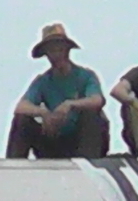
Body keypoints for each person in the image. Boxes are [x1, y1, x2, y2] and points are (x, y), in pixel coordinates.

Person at [8, 22, 107, 159]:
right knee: (22, 120)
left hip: (81, 141)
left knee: (91, 115)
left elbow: (97, 100)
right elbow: (20, 107)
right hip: (54, 141)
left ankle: (88, 163)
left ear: (67, 50)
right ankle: (14, 166)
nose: (57, 53)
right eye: (52, 50)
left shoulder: (86, 76)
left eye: (60, 48)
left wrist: (70, 104)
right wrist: (43, 113)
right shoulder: (43, 81)